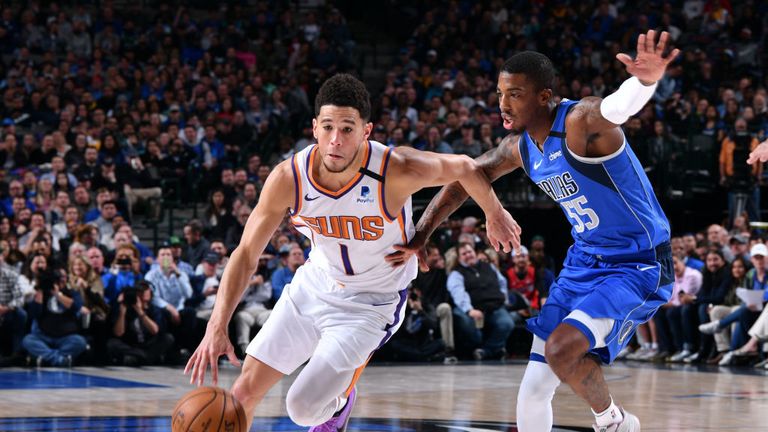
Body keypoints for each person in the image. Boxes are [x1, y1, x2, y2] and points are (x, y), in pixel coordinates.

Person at [184, 73, 519, 432]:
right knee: (241, 393)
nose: (335, 140)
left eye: (347, 129)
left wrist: (493, 213)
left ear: (366, 131)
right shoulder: (289, 178)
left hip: (371, 304)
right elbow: (247, 252)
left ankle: (339, 405)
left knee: (302, 408)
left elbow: (466, 167)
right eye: (328, 127)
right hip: (315, 285)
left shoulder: (394, 169)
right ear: (314, 128)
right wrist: (216, 325)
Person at [390, 31, 679, 431]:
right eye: (500, 93)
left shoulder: (580, 123)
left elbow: (615, 108)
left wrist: (643, 83)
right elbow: (464, 178)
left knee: (562, 350)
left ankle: (611, 422)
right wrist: (423, 233)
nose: (503, 104)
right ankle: (617, 422)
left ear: (544, 96)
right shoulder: (520, 147)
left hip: (638, 262)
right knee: (533, 387)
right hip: (585, 261)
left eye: (515, 94)